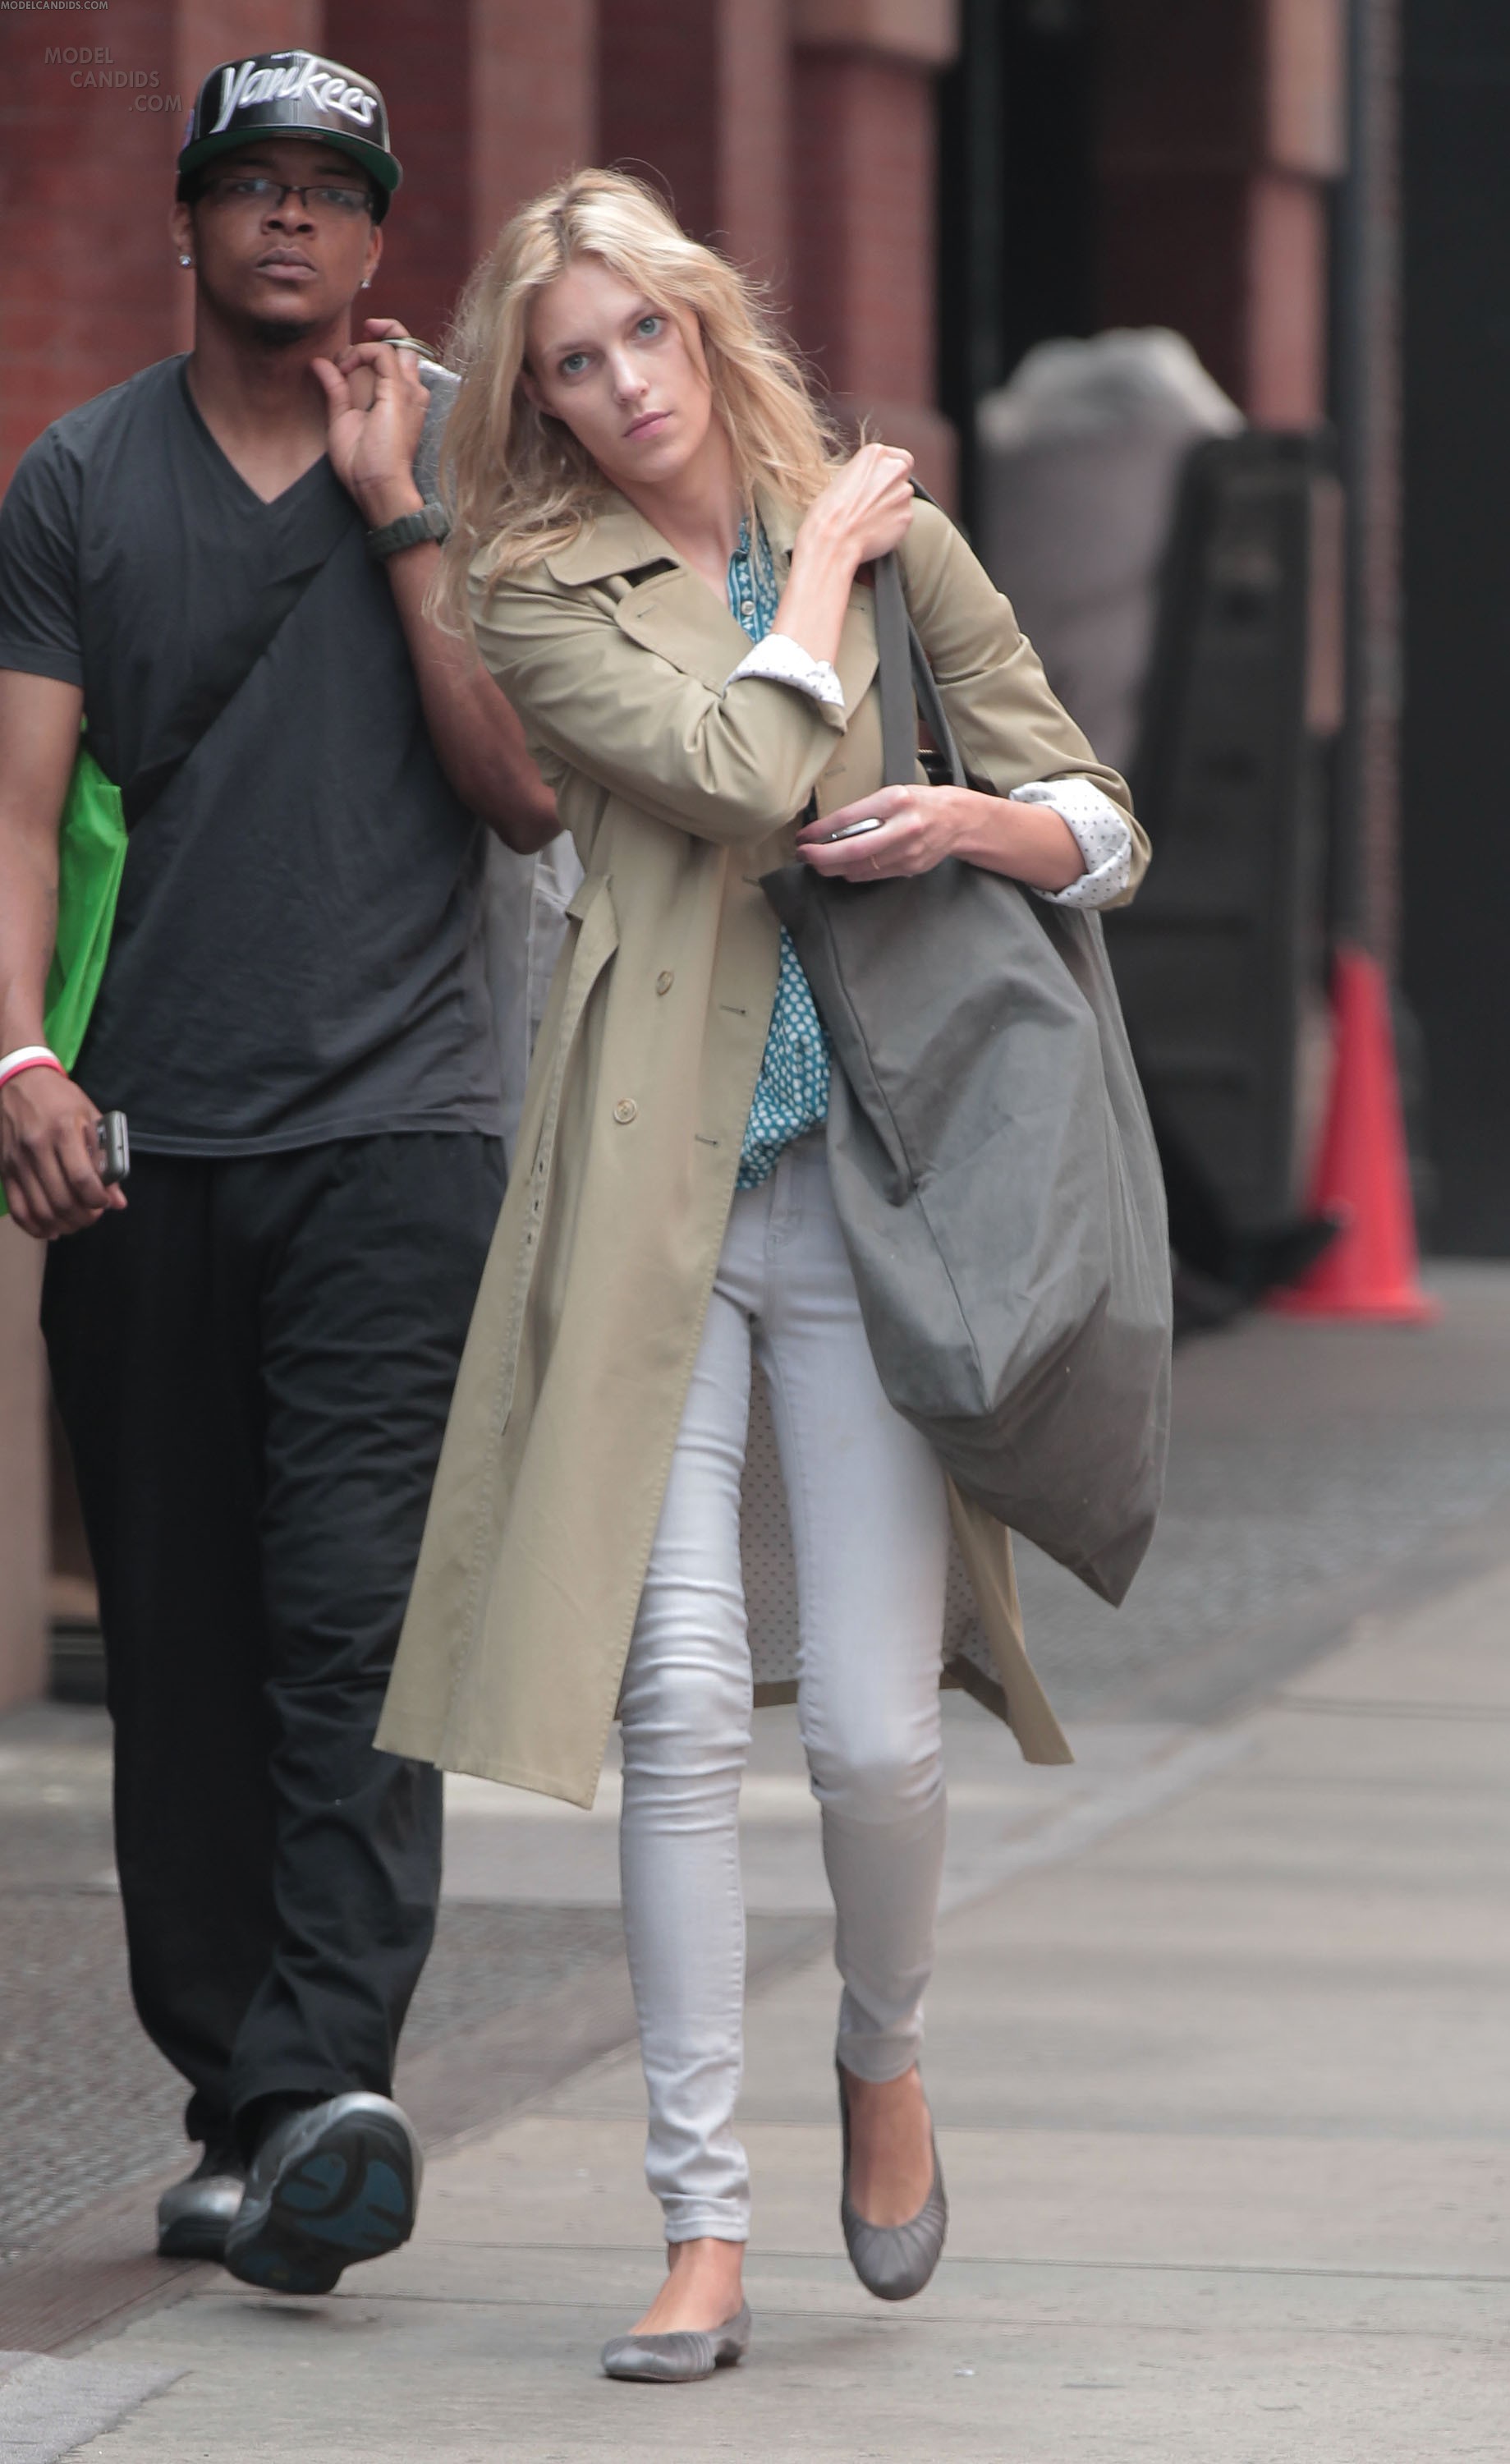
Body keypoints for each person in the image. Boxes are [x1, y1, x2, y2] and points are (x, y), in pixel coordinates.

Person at [376, 168, 1150, 2382]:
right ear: (538, 402)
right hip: (659, 1189)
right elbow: (735, 770)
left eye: (645, 333)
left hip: (881, 1191)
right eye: (573, 363)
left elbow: (1099, 817)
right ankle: (700, 2228)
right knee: (682, 1703)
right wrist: (811, 570)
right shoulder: (534, 584)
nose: (623, 386)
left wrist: (969, 826)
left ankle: (882, 2051)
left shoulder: (902, 541)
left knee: (883, 1742)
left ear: (707, 323)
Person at [0, 52, 556, 2294]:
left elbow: (522, 788)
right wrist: (20, 1052)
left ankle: (328, 2082)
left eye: (334, 188)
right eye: (255, 183)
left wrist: (399, 506)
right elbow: (21, 807)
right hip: (142, 1150)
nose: (293, 219)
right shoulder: (78, 478)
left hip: (399, 1141)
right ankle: (246, 2106)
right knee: (184, 1650)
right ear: (191, 219)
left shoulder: (463, 459)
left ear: (381, 234)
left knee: (351, 1629)